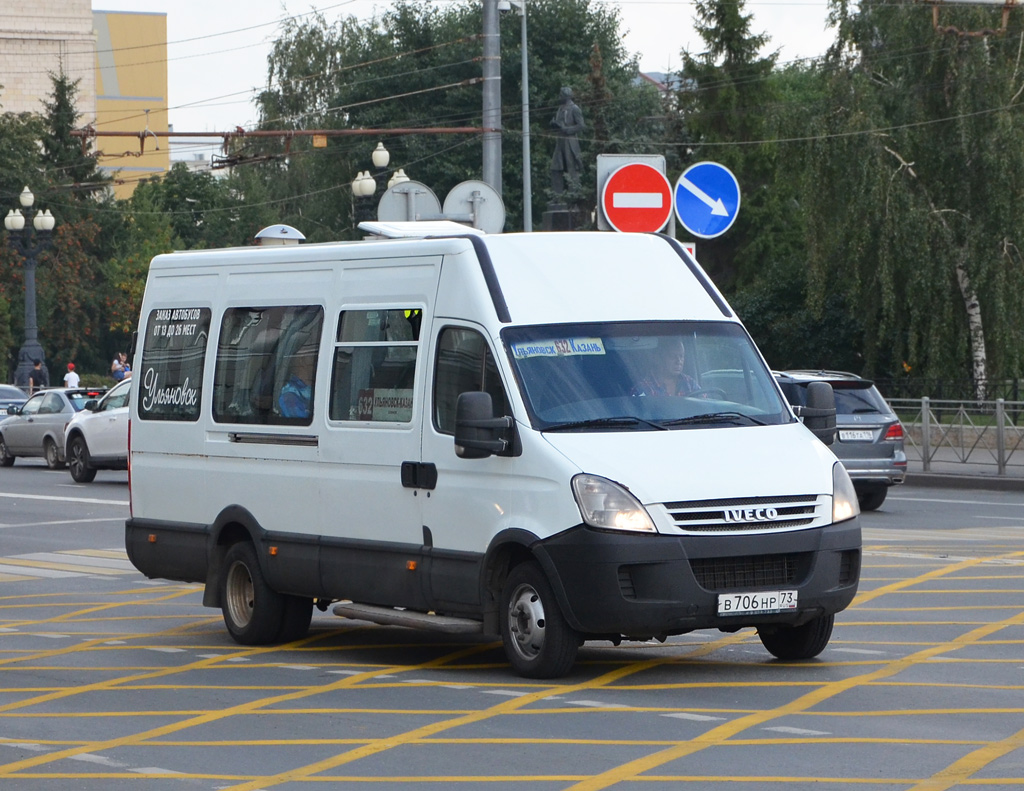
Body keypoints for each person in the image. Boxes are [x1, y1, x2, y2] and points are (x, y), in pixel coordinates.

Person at [631, 338, 697, 397]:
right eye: (672, 356)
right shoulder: (643, 388)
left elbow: (704, 404)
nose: (679, 361)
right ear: (658, 358)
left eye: (681, 356)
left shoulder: (690, 383)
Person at [549, 86, 585, 196]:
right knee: (555, 167)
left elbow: (581, 126)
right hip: (560, 140)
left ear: (566, 96)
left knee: (571, 168)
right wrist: (554, 125)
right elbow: (560, 123)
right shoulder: (560, 108)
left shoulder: (575, 108)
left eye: (561, 95)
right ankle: (557, 195)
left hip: (570, 141)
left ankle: (573, 195)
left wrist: (567, 129)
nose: (559, 97)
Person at [278, 354, 315, 419]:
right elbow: (303, 424)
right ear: (302, 361)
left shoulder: (312, 388)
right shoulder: (289, 395)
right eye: (314, 356)